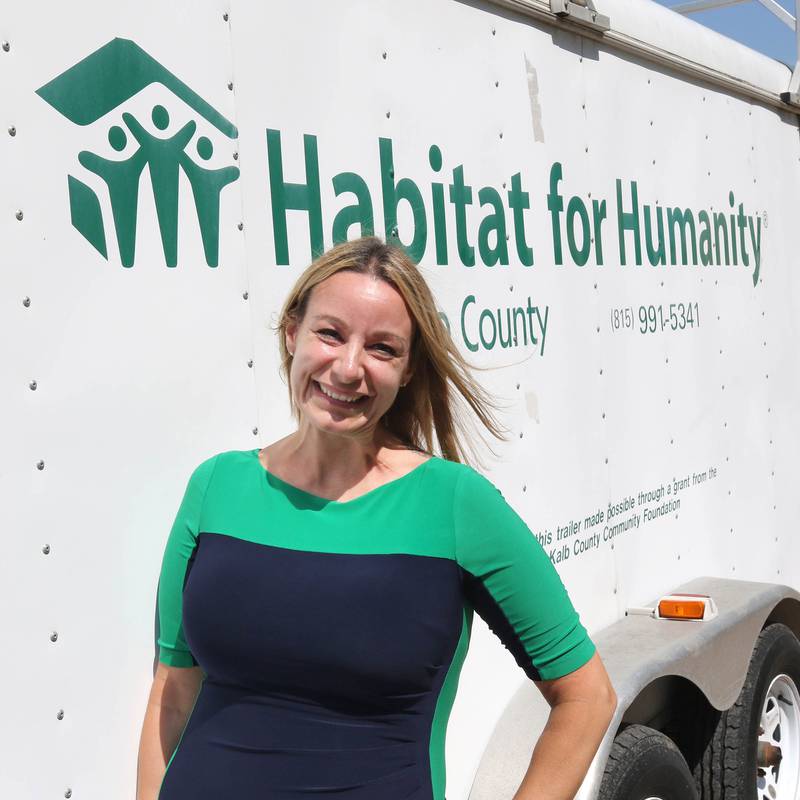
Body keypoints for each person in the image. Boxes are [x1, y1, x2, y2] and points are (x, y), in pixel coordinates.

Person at [135, 236, 617, 800]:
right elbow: (172, 691)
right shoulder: (215, 487)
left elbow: (587, 697)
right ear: (292, 333)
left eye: (382, 348)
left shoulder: (454, 504)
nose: (347, 368)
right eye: (330, 333)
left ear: (409, 369)